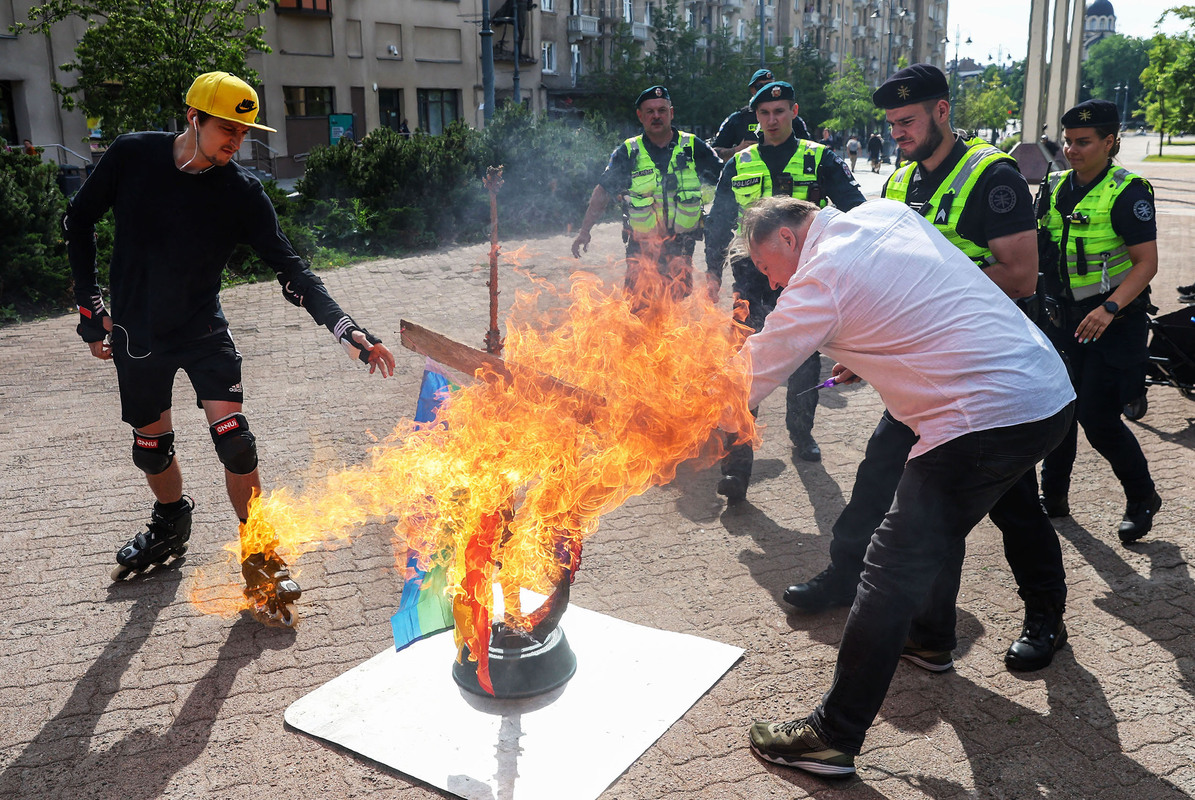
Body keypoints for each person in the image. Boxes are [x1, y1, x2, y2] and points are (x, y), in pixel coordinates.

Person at [736, 195, 1075, 777]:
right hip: (1041, 391)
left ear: (790, 239)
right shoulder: (885, 212)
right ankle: (929, 639)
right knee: (941, 523)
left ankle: (831, 736)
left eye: (767, 264)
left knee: (890, 567)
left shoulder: (819, 278)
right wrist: (864, 351)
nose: (770, 278)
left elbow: (748, 376)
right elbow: (911, 296)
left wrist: (671, 413)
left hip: (981, 416)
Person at [66, 71, 396, 623]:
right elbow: (79, 219)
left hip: (202, 331)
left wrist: (344, 327)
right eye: (227, 128)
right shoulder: (132, 156)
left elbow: (289, 265)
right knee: (151, 446)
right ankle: (171, 521)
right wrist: (88, 306)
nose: (236, 141)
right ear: (192, 118)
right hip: (138, 332)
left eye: (244, 132)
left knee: (236, 442)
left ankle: (260, 554)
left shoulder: (240, 191)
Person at [784, 63, 1069, 674]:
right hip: (923, 383)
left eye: (907, 121)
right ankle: (845, 577)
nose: (897, 134)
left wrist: (922, 311)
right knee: (875, 482)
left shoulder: (993, 176)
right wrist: (869, 356)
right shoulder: (901, 182)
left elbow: (1019, 275)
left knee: (1015, 507)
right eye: (890, 125)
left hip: (987, 382)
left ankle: (1045, 616)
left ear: (943, 111)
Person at [705, 81, 864, 492]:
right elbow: (719, 223)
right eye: (764, 113)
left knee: (805, 361)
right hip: (751, 282)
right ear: (755, 117)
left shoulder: (819, 158)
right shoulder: (738, 164)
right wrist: (710, 274)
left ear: (793, 112)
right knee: (743, 365)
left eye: (779, 111)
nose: (772, 120)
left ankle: (801, 432)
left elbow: (857, 213)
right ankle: (736, 466)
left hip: (804, 279)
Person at [1037, 98, 1161, 543]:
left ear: (1110, 142)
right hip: (1062, 320)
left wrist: (1108, 309)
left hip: (1114, 321)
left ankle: (1142, 496)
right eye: (1068, 141)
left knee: (1097, 417)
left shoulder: (1128, 190)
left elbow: (1146, 263)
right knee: (1060, 410)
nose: (1072, 150)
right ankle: (1054, 496)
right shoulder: (1053, 188)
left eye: (1084, 142)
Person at [571, 85, 723, 300]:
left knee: (673, 306)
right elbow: (603, 191)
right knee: (638, 306)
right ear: (640, 116)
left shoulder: (692, 147)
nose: (656, 116)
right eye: (650, 111)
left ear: (671, 113)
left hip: (680, 249)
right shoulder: (628, 151)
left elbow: (725, 183)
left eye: (662, 110)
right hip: (641, 249)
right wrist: (584, 231)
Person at [709, 68, 812, 161]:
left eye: (769, 85)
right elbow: (713, 153)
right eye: (760, 86)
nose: (771, 120)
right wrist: (736, 150)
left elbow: (809, 149)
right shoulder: (738, 119)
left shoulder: (792, 118)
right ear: (752, 90)